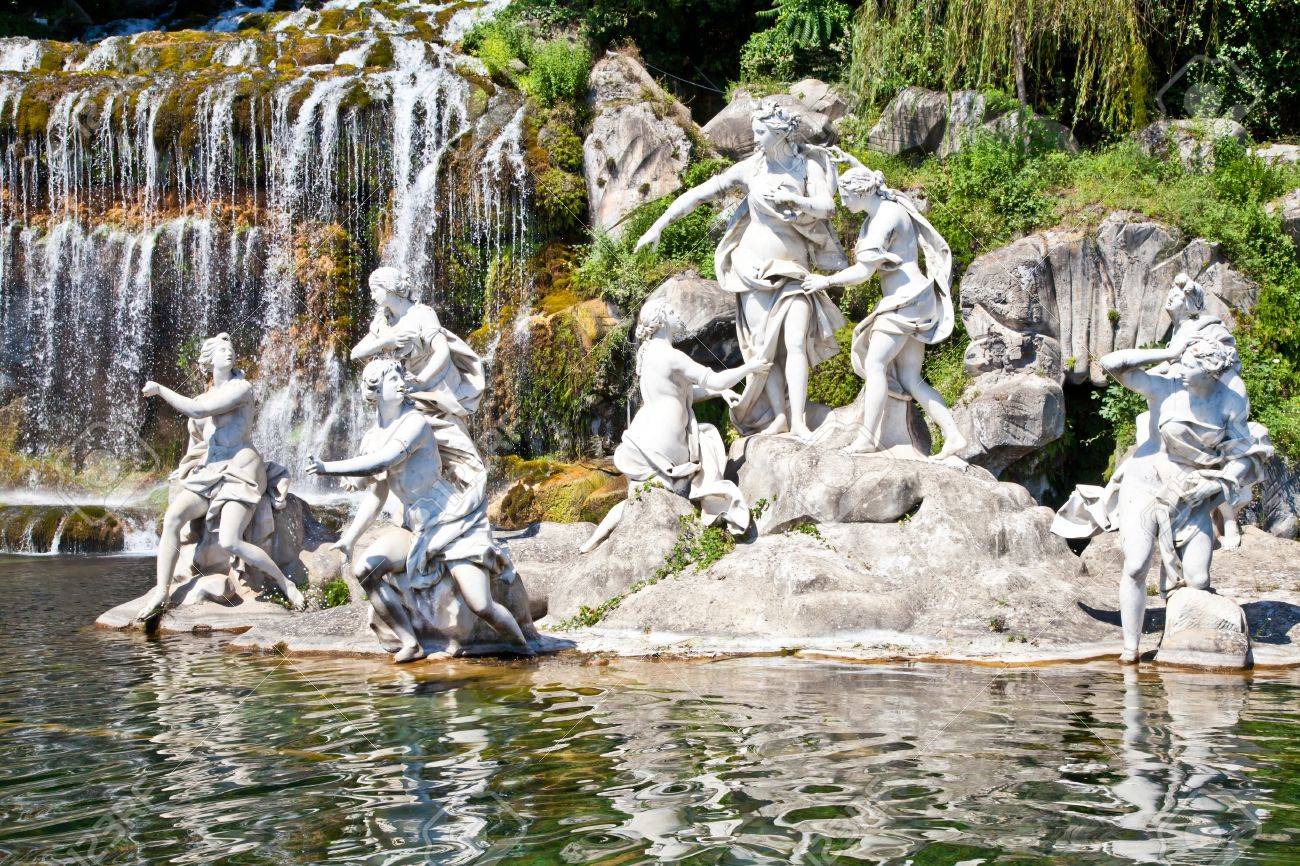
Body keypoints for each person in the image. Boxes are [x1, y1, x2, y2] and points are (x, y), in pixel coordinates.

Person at [1052, 336, 1272, 663]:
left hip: (1191, 489)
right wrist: (1170, 351)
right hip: (1146, 481)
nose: (1180, 368)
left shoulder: (1230, 402)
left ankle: (1179, 629)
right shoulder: (1167, 388)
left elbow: (1243, 455)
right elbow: (1112, 364)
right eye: (1180, 362)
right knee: (1137, 564)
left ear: (1211, 372)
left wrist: (1215, 486)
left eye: (1190, 364)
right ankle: (1131, 647)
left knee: (1198, 580)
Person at [635, 99, 846, 440]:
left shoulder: (807, 166)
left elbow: (827, 206)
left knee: (794, 343)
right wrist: (659, 225)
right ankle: (779, 416)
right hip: (751, 270)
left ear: (779, 133)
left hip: (793, 270)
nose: (755, 138)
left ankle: (800, 422)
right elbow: (701, 194)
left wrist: (798, 202)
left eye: (761, 132)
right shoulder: (752, 169)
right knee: (765, 350)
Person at [306, 358, 534, 662]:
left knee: (481, 604)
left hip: (450, 520)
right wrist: (350, 538)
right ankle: (410, 642)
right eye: (392, 379)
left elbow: (384, 461)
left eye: (401, 377)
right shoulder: (372, 437)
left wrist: (327, 468)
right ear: (374, 390)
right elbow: (378, 492)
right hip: (414, 527)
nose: (401, 383)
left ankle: (525, 650)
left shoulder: (414, 422)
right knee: (365, 570)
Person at [801, 160, 965, 457]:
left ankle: (868, 437)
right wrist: (847, 164)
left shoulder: (882, 219)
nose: (842, 201)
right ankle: (953, 434)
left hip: (905, 302)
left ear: (861, 192)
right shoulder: (887, 208)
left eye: (846, 195)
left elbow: (863, 273)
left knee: (875, 364)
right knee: (910, 378)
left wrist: (825, 281)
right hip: (916, 300)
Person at [580, 298, 770, 553]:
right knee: (708, 437)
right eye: (671, 310)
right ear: (660, 321)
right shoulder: (671, 355)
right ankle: (711, 501)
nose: (676, 313)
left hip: (644, 432)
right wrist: (750, 367)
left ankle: (593, 541)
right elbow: (714, 379)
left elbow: (678, 392)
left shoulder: (646, 355)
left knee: (639, 494)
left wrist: (719, 394)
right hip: (667, 440)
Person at [138, 333, 305, 621]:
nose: (229, 353)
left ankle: (283, 582)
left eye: (232, 349)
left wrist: (160, 389)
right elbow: (199, 440)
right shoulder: (204, 397)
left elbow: (199, 409)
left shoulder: (241, 388)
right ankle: (161, 591)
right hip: (211, 471)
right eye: (222, 350)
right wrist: (188, 465)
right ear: (209, 360)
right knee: (173, 517)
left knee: (230, 541)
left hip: (240, 470)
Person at [350, 266, 485, 423]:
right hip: (405, 391)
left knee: (451, 440)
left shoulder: (422, 314)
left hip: (436, 390)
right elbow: (355, 353)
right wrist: (386, 341)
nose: (372, 296)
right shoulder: (383, 320)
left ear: (388, 287)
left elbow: (442, 351)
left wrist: (421, 379)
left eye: (374, 290)